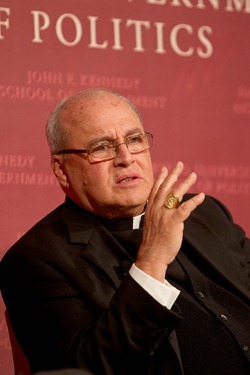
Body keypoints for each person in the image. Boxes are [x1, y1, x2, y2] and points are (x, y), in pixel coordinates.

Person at [0, 88, 249, 375]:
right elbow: (86, 368)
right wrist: (151, 262)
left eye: (134, 140)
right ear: (61, 169)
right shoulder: (35, 261)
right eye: (102, 147)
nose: (125, 157)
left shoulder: (202, 212)